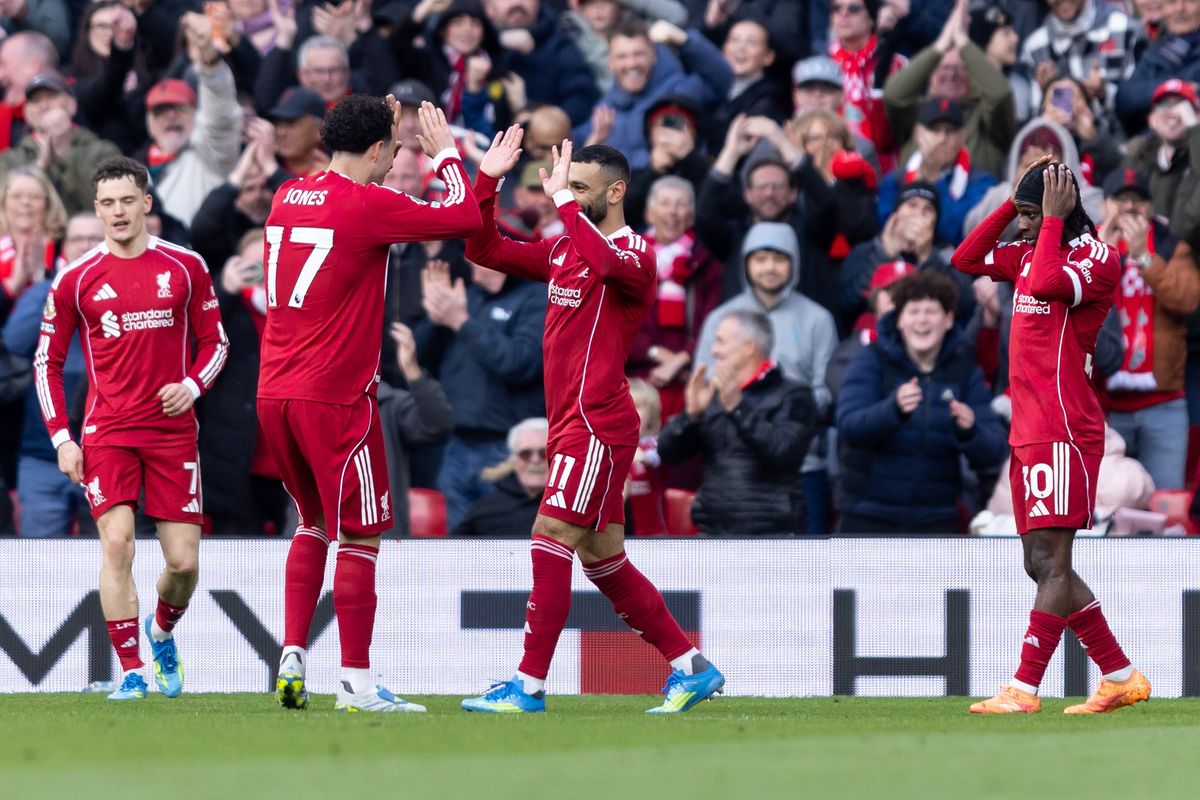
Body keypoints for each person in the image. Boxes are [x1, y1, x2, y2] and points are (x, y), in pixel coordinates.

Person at [461, 127, 723, 713]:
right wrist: (488, 180)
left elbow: (603, 262)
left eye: (580, 186)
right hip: (569, 423)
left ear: (616, 192)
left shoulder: (635, 254)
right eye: (565, 184)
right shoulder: (562, 250)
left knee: (550, 536)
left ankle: (527, 686)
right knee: (603, 559)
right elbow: (484, 251)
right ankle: (692, 667)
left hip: (597, 422)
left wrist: (557, 203)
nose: (567, 193)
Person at [259, 95, 480, 713]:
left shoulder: (288, 194)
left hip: (275, 391)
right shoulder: (369, 205)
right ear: (381, 150)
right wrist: (446, 156)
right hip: (335, 398)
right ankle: (356, 684)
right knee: (360, 536)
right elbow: (462, 216)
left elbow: (350, 158)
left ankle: (293, 653)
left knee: (310, 523)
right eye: (393, 148)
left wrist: (371, 119)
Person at [953, 157, 1150, 714]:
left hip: (1064, 427)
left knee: (1053, 562)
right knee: (1039, 564)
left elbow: (1042, 279)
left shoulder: (1097, 258)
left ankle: (1024, 687)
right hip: (1030, 427)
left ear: (1062, 210)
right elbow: (964, 258)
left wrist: (1055, 222)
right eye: (1021, 215)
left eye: (1030, 214)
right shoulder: (1031, 247)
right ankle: (1119, 674)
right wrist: (1014, 204)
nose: (1022, 225)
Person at [34, 156, 229, 701]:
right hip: (108, 432)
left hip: (172, 433)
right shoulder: (75, 278)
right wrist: (62, 438)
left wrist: (191, 387)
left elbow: (218, 343)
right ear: (96, 210)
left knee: (184, 563)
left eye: (127, 200)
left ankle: (161, 631)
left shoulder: (186, 266)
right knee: (117, 546)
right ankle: (133, 671)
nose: (118, 212)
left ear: (146, 203)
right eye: (107, 203)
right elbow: (46, 361)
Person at [835, 271, 1007, 533]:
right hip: (868, 514)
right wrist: (892, 410)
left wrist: (970, 430)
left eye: (931, 311)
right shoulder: (871, 359)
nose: (922, 320)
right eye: (913, 311)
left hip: (937, 518)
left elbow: (994, 450)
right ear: (899, 320)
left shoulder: (964, 371)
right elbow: (849, 425)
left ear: (948, 319)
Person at [658, 309, 817, 535]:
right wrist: (690, 415)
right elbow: (667, 454)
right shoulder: (712, 395)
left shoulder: (794, 395)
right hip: (713, 533)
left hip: (773, 536)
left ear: (749, 347)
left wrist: (738, 407)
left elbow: (783, 453)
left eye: (721, 342)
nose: (713, 350)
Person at [417, 256, 547, 530]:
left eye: (478, 258)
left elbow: (520, 363)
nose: (470, 266)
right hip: (456, 444)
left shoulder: (536, 296)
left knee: (506, 539)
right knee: (459, 543)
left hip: (507, 448)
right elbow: (418, 356)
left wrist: (462, 322)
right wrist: (435, 316)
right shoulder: (466, 296)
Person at [2, 212, 103, 537]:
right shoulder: (45, 290)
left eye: (95, 238)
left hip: (107, 453)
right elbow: (13, 342)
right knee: (39, 568)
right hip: (42, 453)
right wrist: (60, 289)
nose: (86, 245)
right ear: (64, 248)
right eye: (78, 239)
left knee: (111, 559)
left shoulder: (129, 295)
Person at [1098, 169, 1200, 491]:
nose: (1130, 206)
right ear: (1104, 206)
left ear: (1151, 206)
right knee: (1105, 504)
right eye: (1121, 199)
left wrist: (1143, 256)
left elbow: (1186, 299)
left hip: (1164, 404)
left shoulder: (1172, 246)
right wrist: (1099, 255)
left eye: (1138, 200)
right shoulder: (1088, 246)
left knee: (1166, 502)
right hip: (1105, 404)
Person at [0, 71, 122, 215]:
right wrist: (42, 164)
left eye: (52, 96)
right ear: (26, 112)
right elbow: (11, 213)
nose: (44, 106)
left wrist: (63, 151)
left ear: (72, 105)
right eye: (36, 100)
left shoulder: (103, 151)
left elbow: (106, 207)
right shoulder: (10, 159)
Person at [454, 416, 548, 536]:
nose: (535, 460)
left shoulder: (574, 506)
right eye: (525, 454)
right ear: (513, 460)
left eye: (544, 453)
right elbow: (454, 550)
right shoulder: (487, 508)